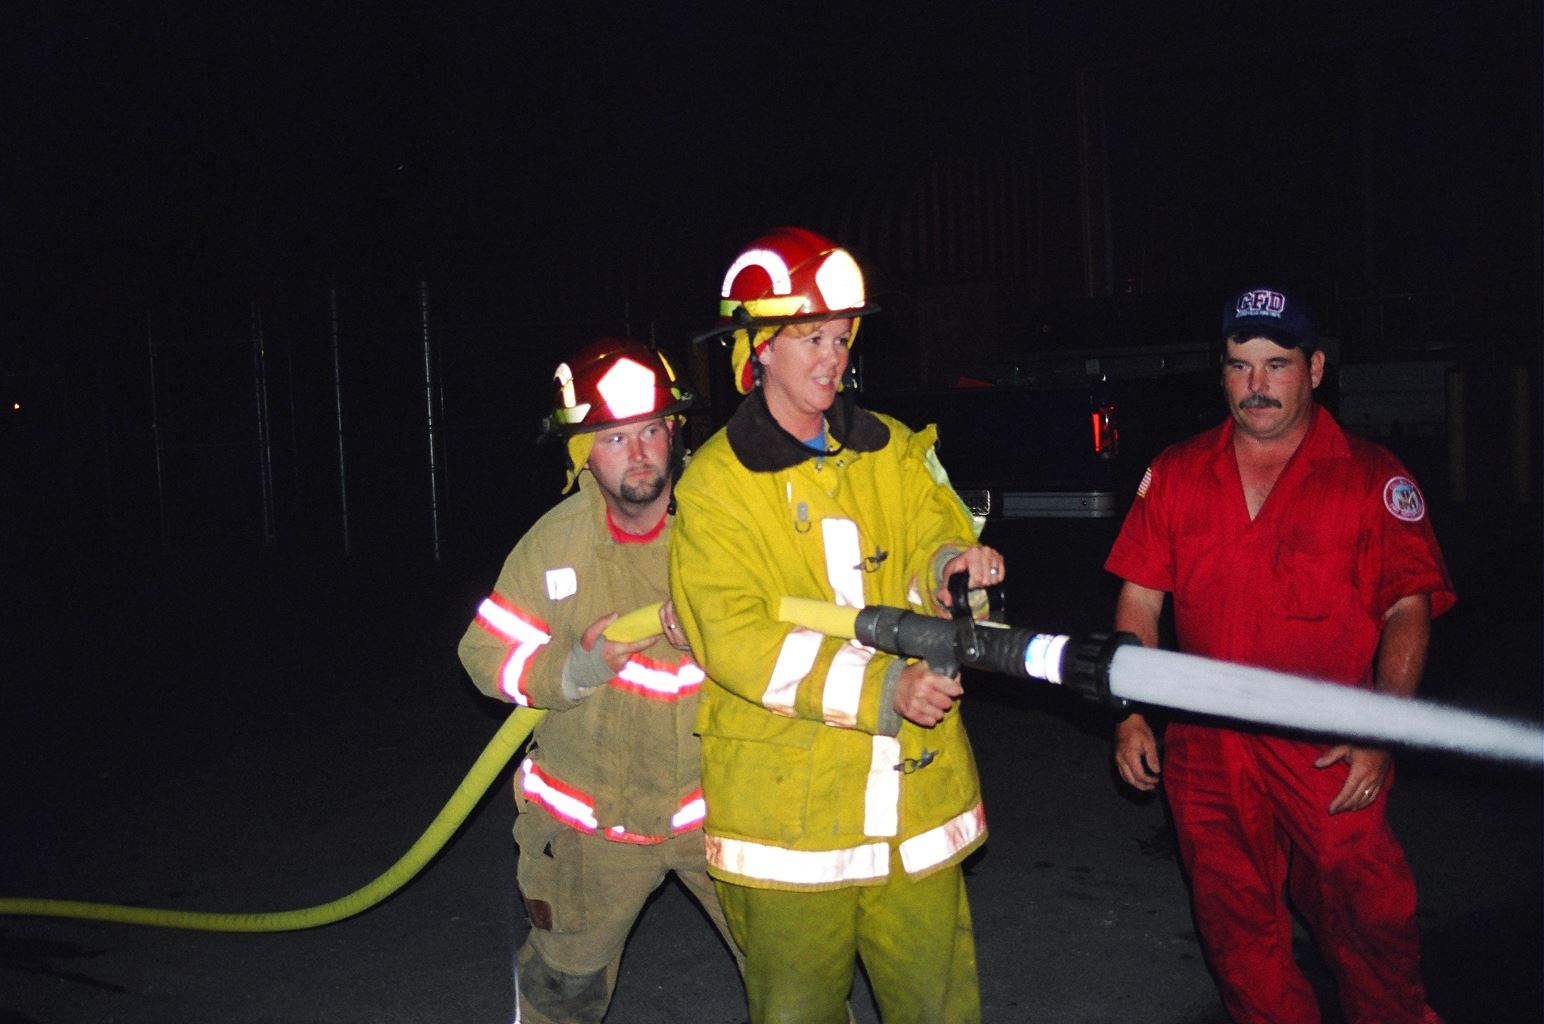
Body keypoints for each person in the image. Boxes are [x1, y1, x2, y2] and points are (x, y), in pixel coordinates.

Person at [668, 226, 1004, 1023]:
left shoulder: (889, 448)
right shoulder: (718, 486)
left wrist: (953, 567)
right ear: (755, 352)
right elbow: (737, 637)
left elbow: (931, 538)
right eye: (809, 338)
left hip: (913, 815)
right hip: (790, 824)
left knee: (940, 1009)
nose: (832, 356)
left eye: (842, 336)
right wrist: (886, 689)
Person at [1104, 286, 1455, 1024]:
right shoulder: (1175, 472)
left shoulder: (1369, 478)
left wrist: (1380, 729)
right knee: (1238, 939)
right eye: (1239, 366)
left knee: (1368, 924)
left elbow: (1408, 609)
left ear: (1316, 368)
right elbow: (1140, 601)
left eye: (1276, 364)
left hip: (1324, 744)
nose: (1256, 385)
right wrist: (1131, 710)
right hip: (1207, 747)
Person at [457, 338, 741, 1024]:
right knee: (563, 992)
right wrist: (573, 669)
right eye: (613, 438)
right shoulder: (555, 545)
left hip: (724, 816)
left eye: (650, 430)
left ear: (675, 433)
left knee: (798, 980)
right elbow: (483, 653)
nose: (639, 453)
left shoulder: (724, 527)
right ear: (583, 453)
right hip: (593, 839)